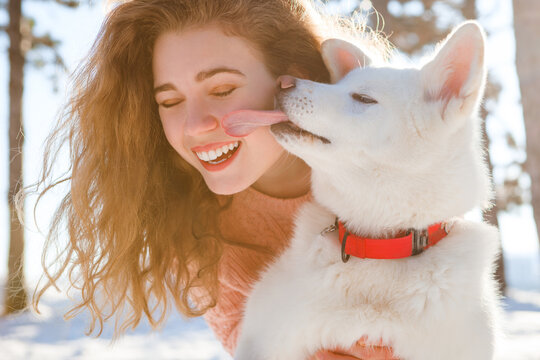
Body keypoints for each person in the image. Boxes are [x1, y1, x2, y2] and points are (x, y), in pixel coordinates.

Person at [22, 0, 396, 358]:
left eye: (222, 90)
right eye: (170, 102)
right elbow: (244, 340)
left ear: (295, 79)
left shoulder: (400, 160)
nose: (195, 125)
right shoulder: (193, 226)